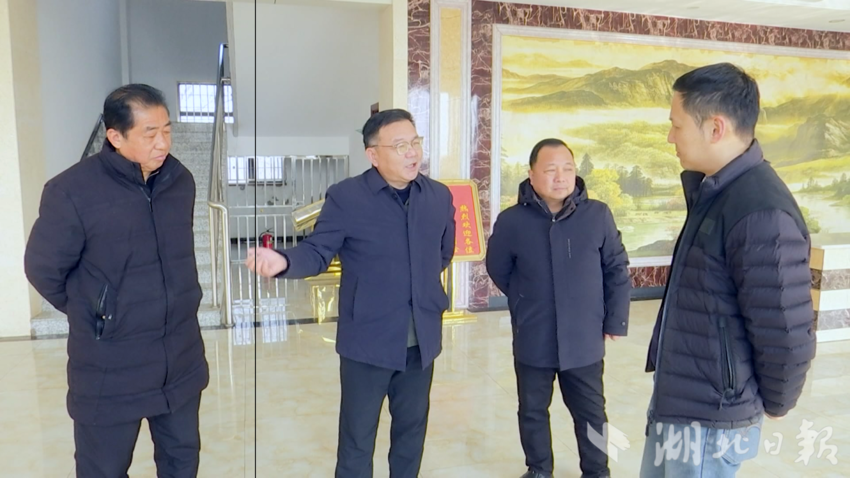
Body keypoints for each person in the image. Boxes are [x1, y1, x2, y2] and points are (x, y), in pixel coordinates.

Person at [246, 108, 456, 477]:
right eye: (400, 145)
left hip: (421, 339)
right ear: (373, 155)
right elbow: (317, 251)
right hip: (368, 341)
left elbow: (442, 253)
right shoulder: (347, 197)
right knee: (357, 439)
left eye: (415, 142)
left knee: (411, 434)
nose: (412, 152)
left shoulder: (438, 196)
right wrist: (284, 260)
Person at [640, 63, 817, 477]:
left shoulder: (761, 211)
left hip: (711, 417)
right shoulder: (718, 191)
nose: (670, 137)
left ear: (715, 128)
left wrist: (779, 400)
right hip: (685, 398)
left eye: (676, 125)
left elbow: (785, 329)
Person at [24, 84, 209, 477]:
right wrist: (99, 312)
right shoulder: (71, 191)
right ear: (115, 136)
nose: (163, 143)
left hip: (179, 360)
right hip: (110, 368)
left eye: (167, 130)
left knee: (182, 462)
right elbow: (43, 268)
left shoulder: (180, 180)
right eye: (150, 133)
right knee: (103, 470)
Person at [486, 138, 631, 478]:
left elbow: (616, 268)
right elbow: (498, 268)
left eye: (568, 168)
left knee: (591, 412)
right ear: (532, 175)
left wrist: (615, 319)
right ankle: (539, 469)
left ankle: (597, 471)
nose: (561, 177)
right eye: (551, 170)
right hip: (534, 333)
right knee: (532, 410)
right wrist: (525, 299)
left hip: (583, 335)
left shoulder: (597, 215)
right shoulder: (512, 221)